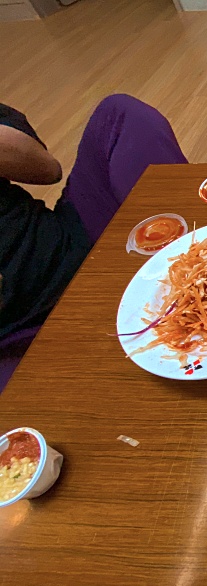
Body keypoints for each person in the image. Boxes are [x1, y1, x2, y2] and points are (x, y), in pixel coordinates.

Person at [0, 94, 188, 390]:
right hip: (14, 334)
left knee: (120, 115)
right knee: (39, 403)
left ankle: (195, 260)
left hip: (70, 242)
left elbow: (46, 169)